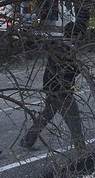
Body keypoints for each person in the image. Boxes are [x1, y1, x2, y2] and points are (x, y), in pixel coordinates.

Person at [19, 23, 86, 152]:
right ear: (75, 36)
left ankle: (28, 140)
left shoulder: (58, 46)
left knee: (46, 114)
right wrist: (78, 69)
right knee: (74, 120)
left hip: (51, 88)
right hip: (61, 90)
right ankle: (81, 149)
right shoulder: (66, 50)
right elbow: (67, 72)